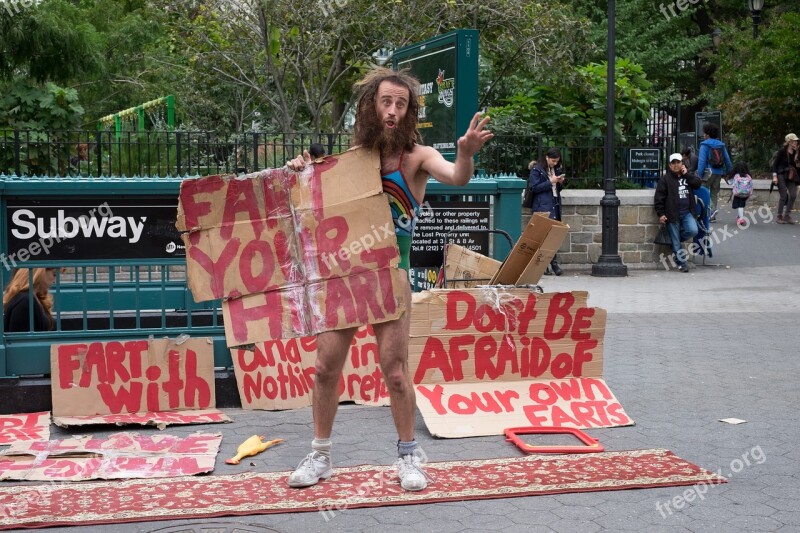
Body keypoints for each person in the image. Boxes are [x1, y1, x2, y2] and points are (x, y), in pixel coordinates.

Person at [284, 67, 492, 492]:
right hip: (343, 276)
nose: (393, 111)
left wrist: (466, 152)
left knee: (395, 371)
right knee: (325, 368)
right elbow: (307, 206)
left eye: (401, 104)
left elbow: (456, 176)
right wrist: (300, 171)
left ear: (410, 111)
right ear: (370, 107)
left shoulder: (417, 157)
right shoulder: (346, 161)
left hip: (390, 276)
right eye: (386, 102)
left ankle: (408, 456)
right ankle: (320, 454)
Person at [654, 153, 702, 273]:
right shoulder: (665, 179)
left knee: (693, 230)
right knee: (676, 243)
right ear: (670, 165)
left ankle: (675, 241)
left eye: (678, 162)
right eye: (673, 163)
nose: (676, 165)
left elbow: (698, 184)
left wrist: (687, 174)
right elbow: (659, 198)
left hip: (687, 212)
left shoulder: (688, 176)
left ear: (682, 163)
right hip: (672, 214)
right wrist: (661, 214)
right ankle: (682, 263)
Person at [527, 147, 565, 276]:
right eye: (553, 160)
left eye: (557, 161)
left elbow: (557, 189)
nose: (555, 163)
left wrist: (559, 182)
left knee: (553, 236)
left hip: (554, 205)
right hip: (542, 206)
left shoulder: (555, 169)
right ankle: (547, 265)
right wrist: (551, 182)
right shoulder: (536, 169)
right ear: (547, 157)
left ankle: (551, 265)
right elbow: (534, 188)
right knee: (542, 237)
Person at [695, 123, 732, 222]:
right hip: (719, 172)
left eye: (704, 133)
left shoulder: (704, 145)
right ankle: (713, 214)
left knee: (704, 190)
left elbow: (702, 161)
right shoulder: (721, 145)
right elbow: (728, 160)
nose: (703, 135)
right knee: (714, 193)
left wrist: (699, 174)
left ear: (707, 135)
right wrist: (728, 173)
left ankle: (709, 211)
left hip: (708, 172)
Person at [2, 268, 57, 332]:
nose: (54, 281)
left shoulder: (32, 298)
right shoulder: (25, 301)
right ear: (40, 273)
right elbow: (21, 339)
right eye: (54, 274)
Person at [771, 133, 800, 224]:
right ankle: (779, 216)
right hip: (781, 174)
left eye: (796, 141)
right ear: (789, 142)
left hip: (791, 176)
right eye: (794, 141)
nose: (796, 142)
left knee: (793, 195)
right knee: (783, 196)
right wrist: (775, 177)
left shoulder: (797, 152)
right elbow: (774, 165)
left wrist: (797, 155)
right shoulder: (782, 151)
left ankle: (787, 215)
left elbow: (798, 167)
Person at [728, 161, 753, 227]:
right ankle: (739, 216)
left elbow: (733, 184)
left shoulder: (736, 176)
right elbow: (751, 185)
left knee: (739, 205)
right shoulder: (748, 176)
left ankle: (741, 219)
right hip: (746, 193)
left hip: (738, 193)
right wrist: (750, 193)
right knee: (741, 204)